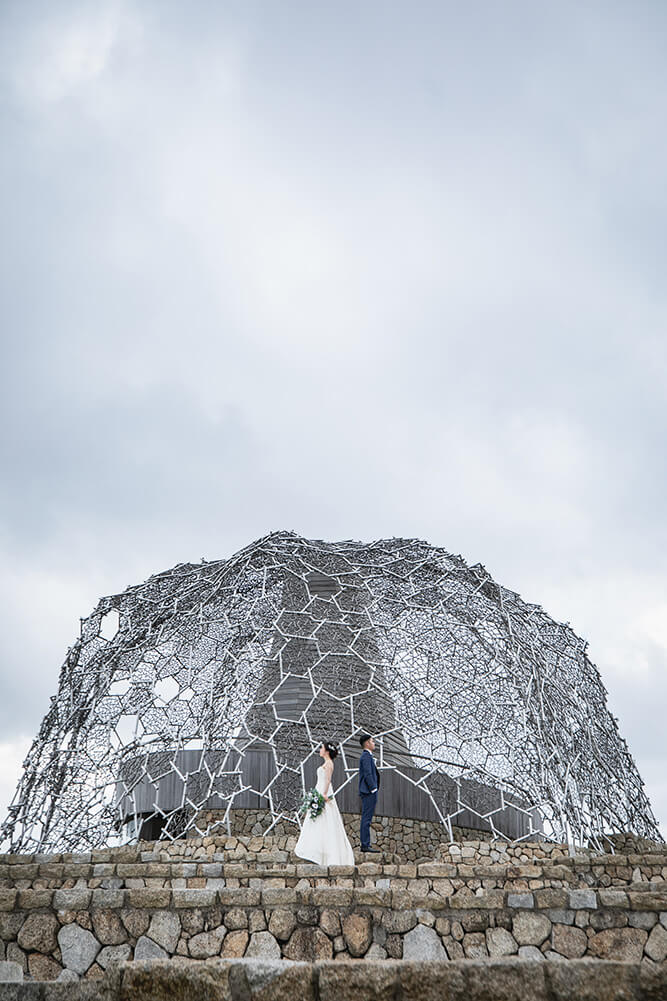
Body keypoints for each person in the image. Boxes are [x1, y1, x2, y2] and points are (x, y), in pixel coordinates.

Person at [294, 741, 355, 866]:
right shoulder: (325, 763)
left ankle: (325, 852)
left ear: (327, 751)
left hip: (323, 791)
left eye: (321, 748)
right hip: (319, 789)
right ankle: (315, 849)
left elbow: (327, 780)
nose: (320, 750)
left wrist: (324, 794)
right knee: (317, 820)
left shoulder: (329, 764)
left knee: (326, 820)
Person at [358, 733, 381, 852]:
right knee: (366, 818)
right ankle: (365, 845)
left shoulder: (368, 756)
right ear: (367, 743)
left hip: (369, 791)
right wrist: (373, 788)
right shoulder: (366, 756)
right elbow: (368, 773)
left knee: (367, 817)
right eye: (372, 741)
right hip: (368, 791)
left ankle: (366, 844)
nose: (374, 743)